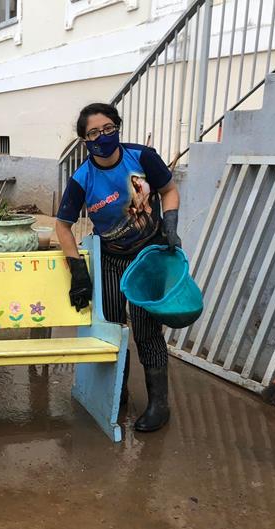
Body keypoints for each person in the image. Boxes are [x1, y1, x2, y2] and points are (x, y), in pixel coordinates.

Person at [55, 103, 182, 432]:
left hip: (147, 259)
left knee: (146, 332)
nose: (103, 136)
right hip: (110, 260)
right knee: (112, 330)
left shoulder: (142, 158)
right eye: (94, 133)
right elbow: (63, 226)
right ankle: (116, 393)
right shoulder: (82, 178)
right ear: (85, 140)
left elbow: (169, 190)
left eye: (108, 128)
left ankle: (159, 405)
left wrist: (170, 222)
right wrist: (78, 270)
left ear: (118, 128)